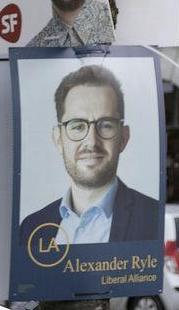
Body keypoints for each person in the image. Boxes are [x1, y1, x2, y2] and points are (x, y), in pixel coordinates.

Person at [17, 63, 161, 246]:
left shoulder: (155, 220)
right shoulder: (31, 228)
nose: (92, 142)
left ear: (124, 137)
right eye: (77, 126)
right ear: (58, 139)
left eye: (106, 125)